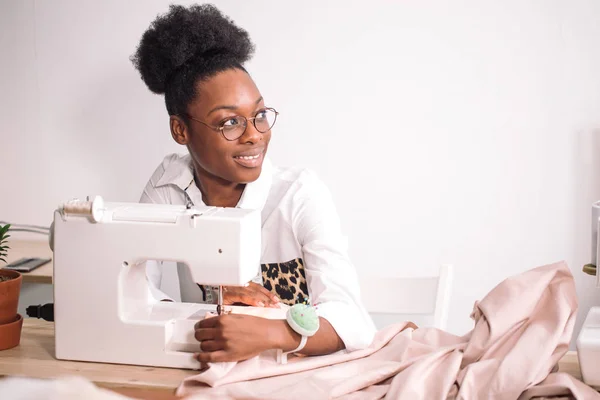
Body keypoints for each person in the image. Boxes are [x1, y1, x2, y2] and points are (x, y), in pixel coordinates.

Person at [131, 3, 376, 364]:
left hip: (302, 374)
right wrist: (204, 310)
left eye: (259, 115)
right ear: (180, 130)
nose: (254, 135)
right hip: (213, 373)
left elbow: (354, 321)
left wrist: (270, 333)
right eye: (229, 122)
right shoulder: (169, 188)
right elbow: (135, 288)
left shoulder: (298, 194)